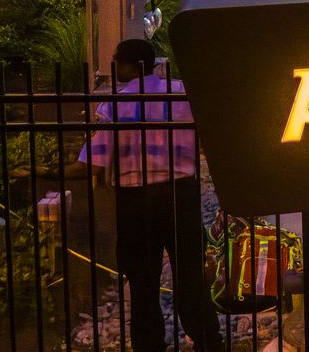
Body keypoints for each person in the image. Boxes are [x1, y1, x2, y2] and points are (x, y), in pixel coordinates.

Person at [68, 39, 225, 352]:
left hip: (136, 201)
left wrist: (36, 172)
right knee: (190, 276)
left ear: (128, 65)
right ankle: (208, 341)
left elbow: (92, 165)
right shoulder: (182, 93)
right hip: (181, 194)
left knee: (142, 282)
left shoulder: (113, 105)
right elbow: (214, 134)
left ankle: (149, 343)